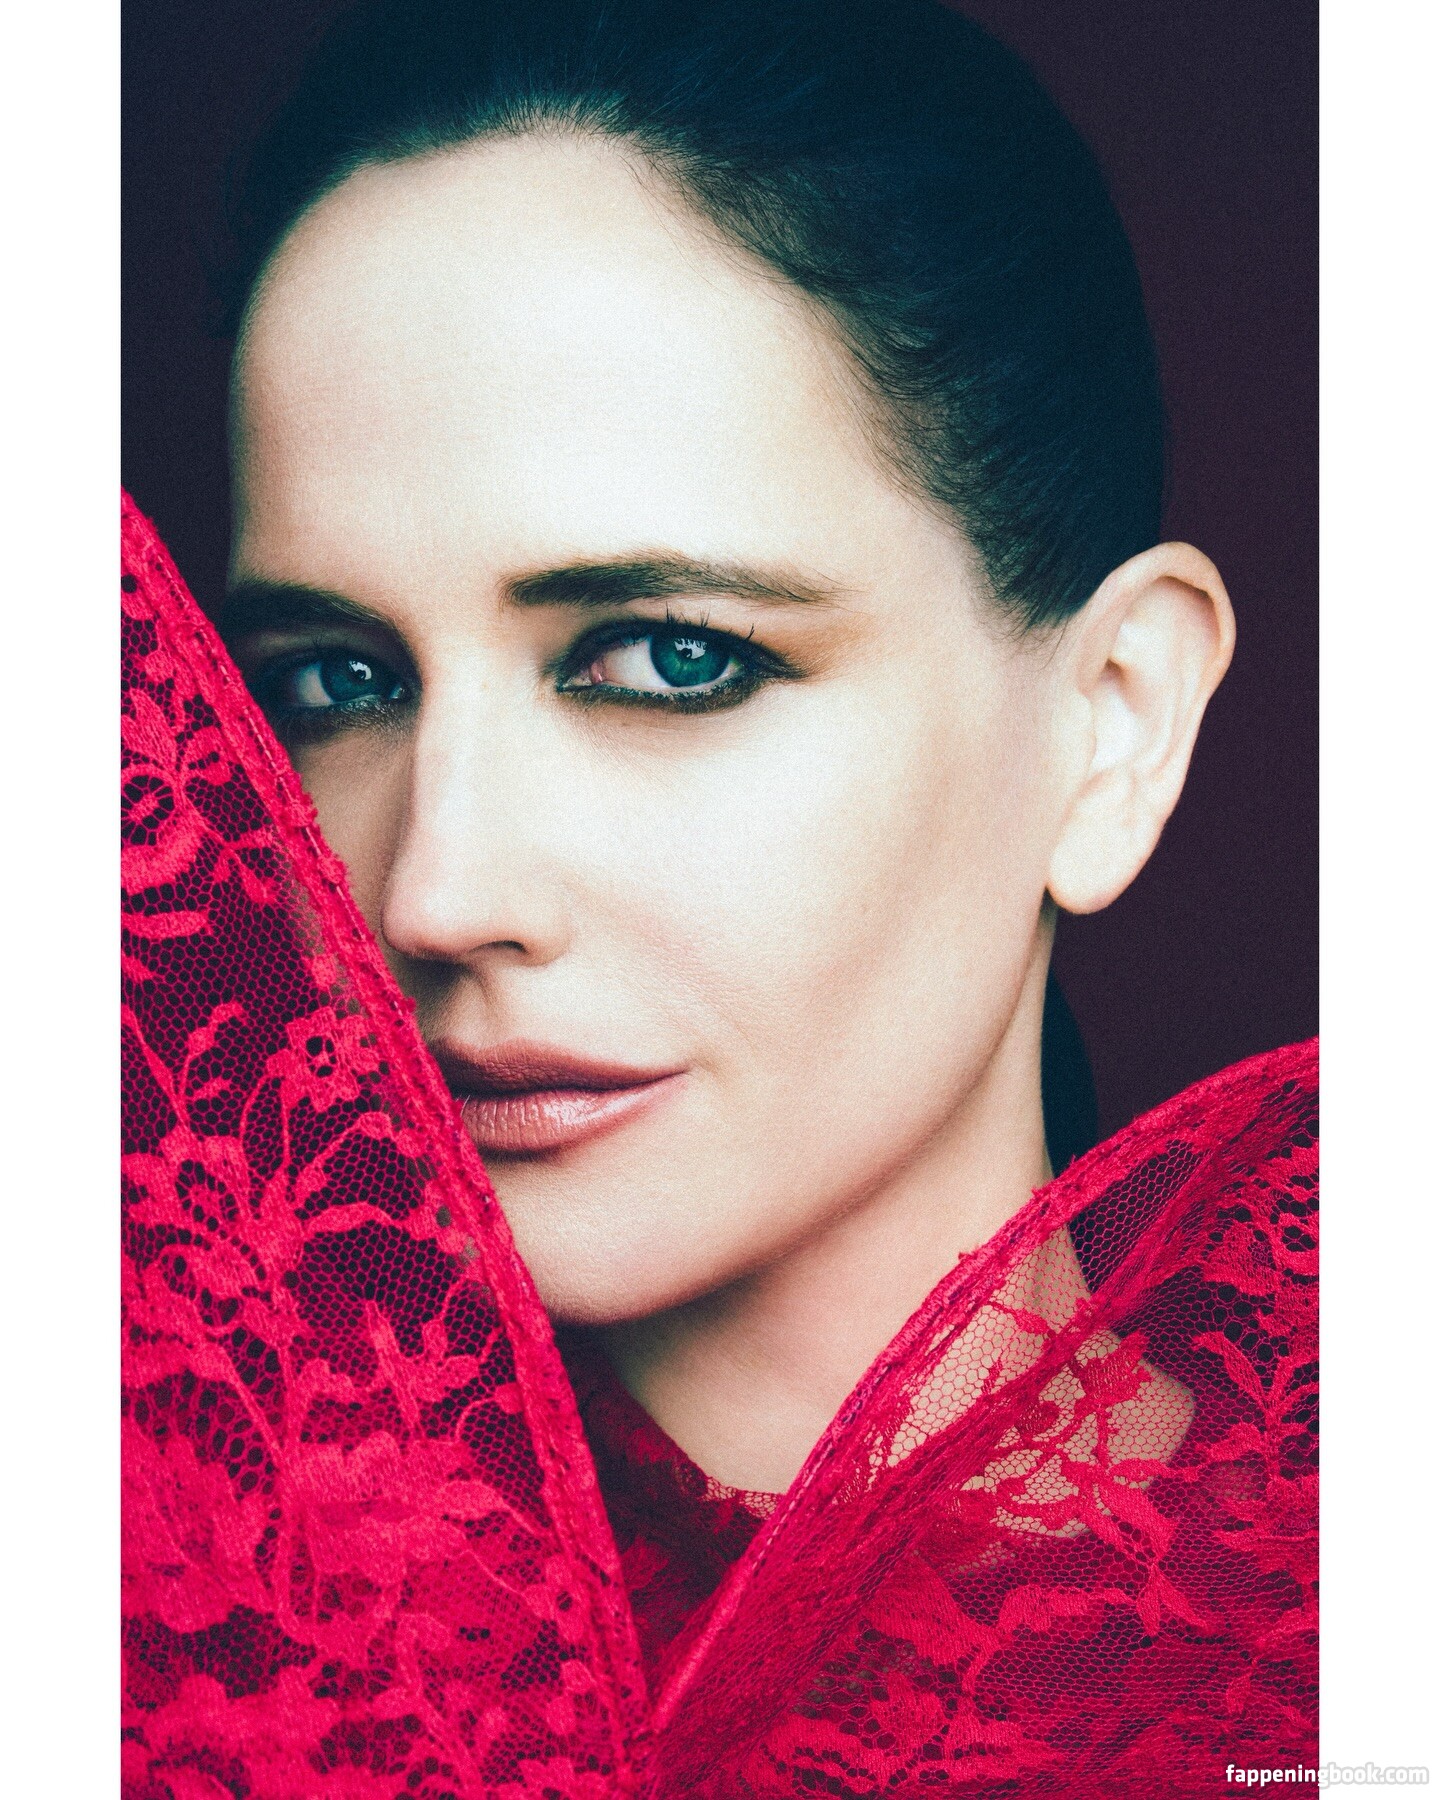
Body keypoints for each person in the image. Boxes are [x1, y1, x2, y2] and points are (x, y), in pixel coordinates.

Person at [120, 1, 1318, 1793]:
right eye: (334, 682)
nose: (437, 892)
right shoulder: (149, 1612)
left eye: (670, 657)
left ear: (1114, 725)